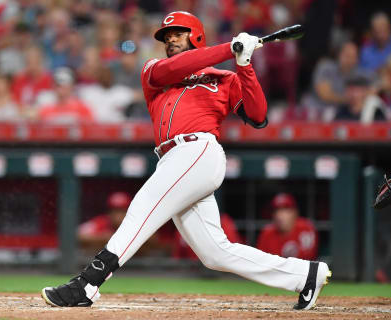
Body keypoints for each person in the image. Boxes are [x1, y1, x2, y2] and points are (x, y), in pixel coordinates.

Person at [41, 11, 331, 311]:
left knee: (142, 208)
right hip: (172, 159)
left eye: (178, 34)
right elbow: (178, 67)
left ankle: (88, 283)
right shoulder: (155, 70)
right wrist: (228, 49)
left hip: (198, 152)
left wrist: (244, 65)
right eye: (167, 37)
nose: (171, 40)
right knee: (215, 253)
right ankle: (304, 275)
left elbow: (258, 116)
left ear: (196, 36)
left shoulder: (224, 79)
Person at [257, 193, 318, 261]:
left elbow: (308, 260)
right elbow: (262, 262)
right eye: (276, 211)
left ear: (295, 212)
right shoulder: (267, 233)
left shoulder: (305, 228)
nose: (279, 215)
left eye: (285, 210)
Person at [173, 213, 244, 260]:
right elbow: (178, 255)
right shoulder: (185, 223)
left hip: (223, 269)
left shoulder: (224, 223)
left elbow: (233, 250)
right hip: (192, 269)